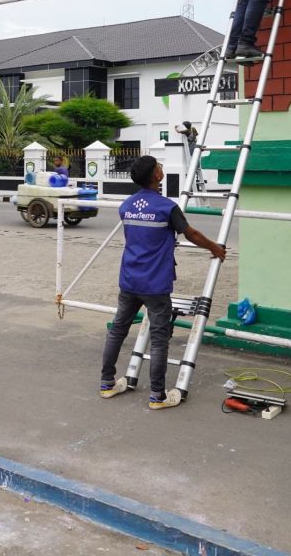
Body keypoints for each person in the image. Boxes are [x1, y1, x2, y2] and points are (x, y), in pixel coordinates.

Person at [99, 155, 226, 409]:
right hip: (155, 284)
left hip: (129, 279)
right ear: (156, 176)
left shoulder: (126, 206)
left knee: (118, 331)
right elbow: (191, 234)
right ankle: (158, 395)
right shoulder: (167, 208)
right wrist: (215, 248)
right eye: (159, 166)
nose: (162, 168)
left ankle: (107, 383)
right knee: (158, 338)